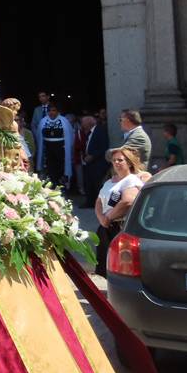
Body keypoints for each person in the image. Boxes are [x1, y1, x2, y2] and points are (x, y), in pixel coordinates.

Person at [96, 146, 147, 274]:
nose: (116, 163)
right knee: (106, 264)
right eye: (114, 160)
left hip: (120, 227)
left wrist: (108, 217)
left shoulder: (131, 180)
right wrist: (102, 219)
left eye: (120, 160)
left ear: (129, 162)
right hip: (106, 227)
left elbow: (127, 201)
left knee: (121, 266)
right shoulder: (109, 181)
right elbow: (98, 202)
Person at [36, 104, 73, 188]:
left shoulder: (64, 121)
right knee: (49, 167)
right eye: (49, 111)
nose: (51, 112)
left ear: (57, 111)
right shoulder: (43, 121)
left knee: (61, 167)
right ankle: (51, 184)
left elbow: (70, 136)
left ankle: (61, 185)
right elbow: (39, 136)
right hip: (48, 149)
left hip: (61, 149)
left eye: (53, 110)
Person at [82, 114, 110, 208]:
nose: (82, 124)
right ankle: (89, 202)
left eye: (83, 122)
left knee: (97, 184)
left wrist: (93, 156)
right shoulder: (88, 132)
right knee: (88, 183)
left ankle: (100, 204)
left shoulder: (100, 131)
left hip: (98, 163)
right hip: (89, 163)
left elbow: (103, 147)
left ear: (89, 122)